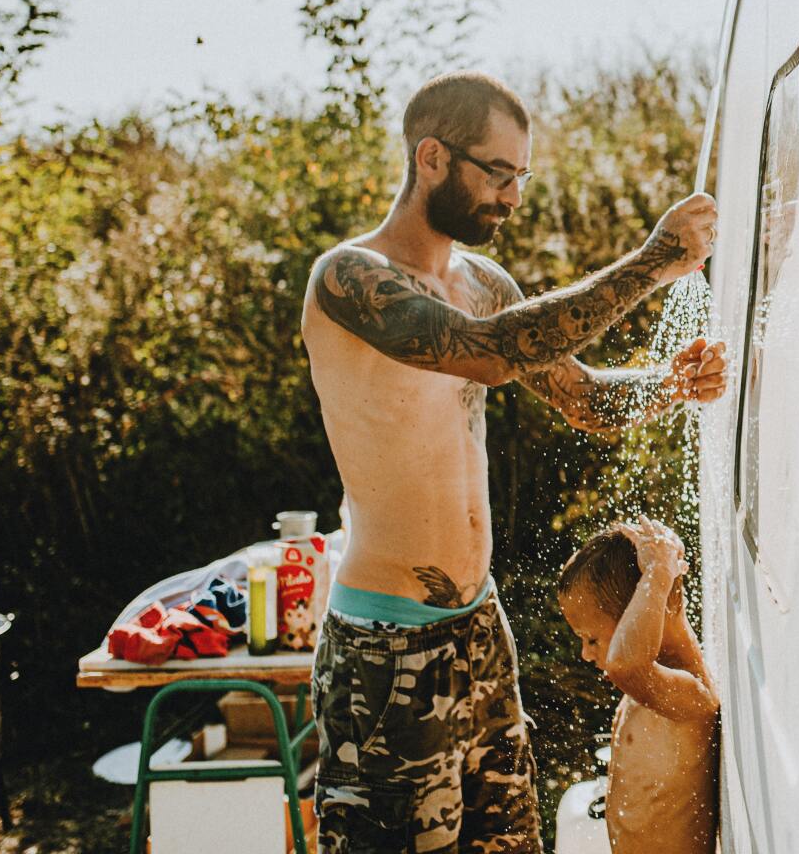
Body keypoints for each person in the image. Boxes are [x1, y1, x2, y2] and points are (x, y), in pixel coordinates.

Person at [301, 71, 729, 853]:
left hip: (480, 626)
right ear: (431, 157)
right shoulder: (348, 279)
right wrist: (650, 262)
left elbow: (587, 402)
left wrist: (672, 384)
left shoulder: (483, 283)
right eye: (499, 174)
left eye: (521, 176)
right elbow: (493, 356)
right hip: (387, 647)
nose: (513, 197)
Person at [557, 518, 719, 854]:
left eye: (591, 638)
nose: (585, 653)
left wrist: (658, 573)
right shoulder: (656, 681)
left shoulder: (689, 695)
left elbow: (624, 664)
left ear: (640, 613)